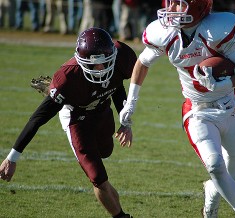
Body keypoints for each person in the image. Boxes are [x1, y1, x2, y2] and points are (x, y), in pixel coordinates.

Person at [118, 0, 235, 217]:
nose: (171, 9)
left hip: (229, 108)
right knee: (214, 165)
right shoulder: (165, 34)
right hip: (197, 111)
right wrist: (131, 102)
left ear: (199, 7)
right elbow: (143, 62)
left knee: (230, 178)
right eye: (171, 3)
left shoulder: (217, 31)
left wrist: (223, 83)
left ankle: (212, 192)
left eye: (178, 4)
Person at [0, 27, 136, 218]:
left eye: (106, 62)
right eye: (96, 64)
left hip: (102, 111)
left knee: (105, 153)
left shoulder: (122, 56)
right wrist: (12, 158)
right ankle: (121, 216)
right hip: (76, 118)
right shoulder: (68, 78)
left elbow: (117, 86)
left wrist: (125, 122)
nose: (102, 68)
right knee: (97, 177)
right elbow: (38, 118)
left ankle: (55, 92)